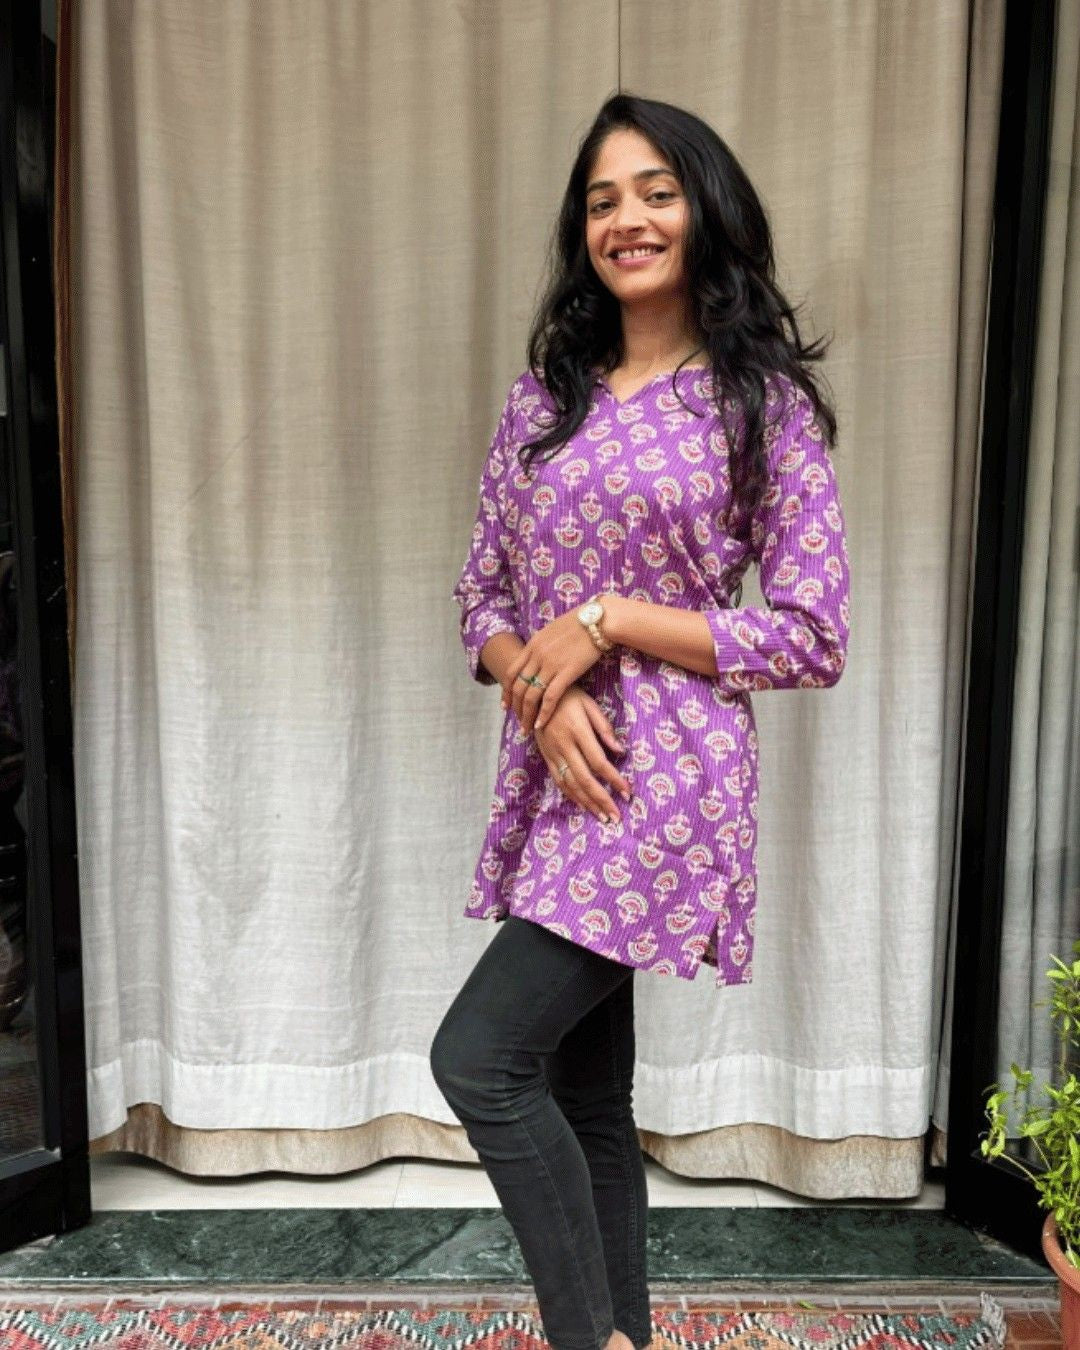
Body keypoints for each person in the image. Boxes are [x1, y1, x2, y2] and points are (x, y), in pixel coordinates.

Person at [431, 92, 851, 1350]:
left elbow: (812, 635)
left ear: (704, 209)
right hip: (557, 771)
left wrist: (607, 621)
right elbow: (481, 598)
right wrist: (539, 686)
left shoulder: (759, 405)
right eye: (604, 200)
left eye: (657, 192)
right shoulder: (543, 401)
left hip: (659, 784)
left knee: (479, 1060)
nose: (629, 219)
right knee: (583, 1096)